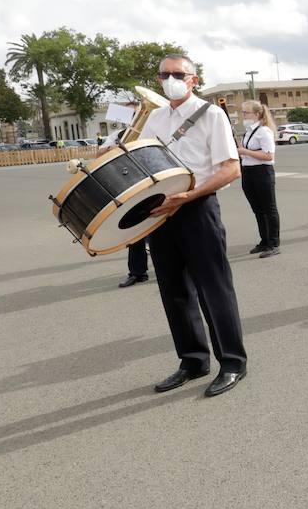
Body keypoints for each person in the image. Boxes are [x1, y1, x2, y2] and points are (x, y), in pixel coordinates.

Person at [142, 54, 248, 397]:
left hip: (197, 207)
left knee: (213, 288)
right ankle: (192, 360)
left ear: (193, 79)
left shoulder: (211, 114)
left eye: (178, 73)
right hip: (161, 211)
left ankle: (232, 362)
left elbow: (231, 168)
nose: (170, 79)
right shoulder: (155, 117)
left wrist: (189, 197)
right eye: (164, 74)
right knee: (173, 291)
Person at [98, 117, 155, 289]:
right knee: (133, 228)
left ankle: (171, 269)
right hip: (128, 184)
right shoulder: (118, 135)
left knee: (161, 226)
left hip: (152, 181)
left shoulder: (154, 129)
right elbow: (98, 154)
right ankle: (137, 273)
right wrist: (116, 147)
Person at [237, 100, 280, 257]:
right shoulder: (248, 132)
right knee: (257, 210)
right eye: (243, 112)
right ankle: (264, 241)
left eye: (246, 112)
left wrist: (244, 152)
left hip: (262, 172)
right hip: (248, 172)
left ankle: (274, 243)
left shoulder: (264, 131)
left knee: (269, 209)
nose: (243, 115)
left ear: (256, 114)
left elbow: (269, 156)